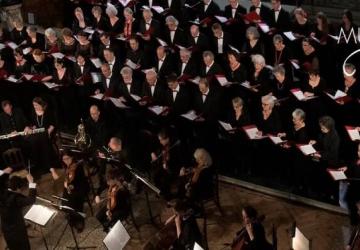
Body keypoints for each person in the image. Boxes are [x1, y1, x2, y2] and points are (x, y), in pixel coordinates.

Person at [0, 173, 36, 250]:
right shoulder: (15, 199)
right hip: (17, 231)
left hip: (6, 230)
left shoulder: (2, 193)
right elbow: (31, 200)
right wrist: (31, 183)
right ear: (18, 188)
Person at [30, 97, 59, 180]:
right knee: (33, 142)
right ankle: (40, 165)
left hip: (48, 131)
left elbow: (53, 124)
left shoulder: (47, 111)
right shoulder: (33, 111)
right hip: (38, 132)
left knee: (43, 141)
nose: (34, 107)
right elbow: (33, 123)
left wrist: (48, 132)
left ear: (40, 104)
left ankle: (50, 167)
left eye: (36, 105)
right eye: (33, 105)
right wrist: (34, 127)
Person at [61, 150, 89, 232]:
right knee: (64, 201)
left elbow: (80, 181)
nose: (66, 161)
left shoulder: (78, 166)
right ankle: (72, 216)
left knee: (73, 199)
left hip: (81, 187)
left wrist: (72, 186)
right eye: (64, 159)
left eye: (67, 158)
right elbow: (67, 179)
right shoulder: (67, 167)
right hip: (71, 187)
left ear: (72, 157)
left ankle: (79, 220)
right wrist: (66, 184)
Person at [95, 168, 131, 232]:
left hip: (122, 208)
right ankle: (108, 229)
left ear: (115, 179)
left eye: (109, 181)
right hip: (112, 205)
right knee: (98, 216)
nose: (108, 183)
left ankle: (114, 230)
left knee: (110, 219)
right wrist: (97, 195)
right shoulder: (112, 184)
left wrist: (110, 211)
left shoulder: (122, 188)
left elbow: (121, 203)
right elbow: (102, 186)